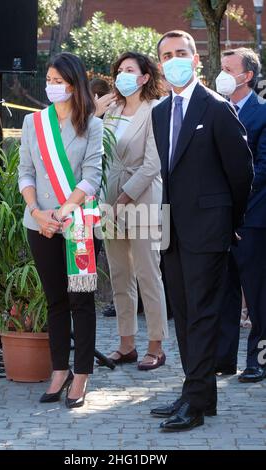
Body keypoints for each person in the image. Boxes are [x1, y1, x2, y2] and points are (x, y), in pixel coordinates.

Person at [150, 30, 253, 432]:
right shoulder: (160, 112)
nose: (174, 59)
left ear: (195, 59)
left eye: (181, 53)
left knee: (203, 317)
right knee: (185, 314)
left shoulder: (216, 108)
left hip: (209, 231)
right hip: (171, 230)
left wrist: (230, 223)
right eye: (166, 55)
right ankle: (197, 393)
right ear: (160, 64)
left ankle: (195, 403)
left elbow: (241, 172)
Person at [18, 52, 103, 409]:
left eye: (59, 81)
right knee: (55, 300)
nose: (52, 86)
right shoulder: (33, 123)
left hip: (78, 224)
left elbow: (92, 174)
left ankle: (81, 372)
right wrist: (37, 212)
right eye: (49, 80)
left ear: (74, 83)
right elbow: (25, 172)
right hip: (40, 224)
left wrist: (66, 211)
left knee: (80, 300)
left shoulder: (92, 124)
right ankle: (59, 369)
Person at [101, 51, 168, 370]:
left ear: (144, 77)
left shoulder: (156, 110)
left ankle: (156, 345)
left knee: (148, 274)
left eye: (130, 70)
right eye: (119, 70)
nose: (122, 75)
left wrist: (123, 200)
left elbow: (153, 165)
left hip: (144, 201)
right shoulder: (111, 109)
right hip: (109, 201)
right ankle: (126, 344)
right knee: (119, 274)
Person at [215, 48, 266, 383]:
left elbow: (262, 167)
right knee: (224, 291)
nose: (221, 73)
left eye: (228, 68)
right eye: (220, 67)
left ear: (246, 76)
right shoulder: (215, 109)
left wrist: (230, 189)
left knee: (258, 292)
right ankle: (223, 359)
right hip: (219, 218)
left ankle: (258, 359)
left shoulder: (262, 114)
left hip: (253, 216)